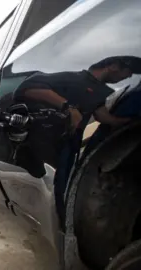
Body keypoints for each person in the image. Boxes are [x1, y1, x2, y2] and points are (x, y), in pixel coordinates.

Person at [12, 56, 141, 227]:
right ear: (113, 65)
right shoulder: (73, 78)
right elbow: (27, 89)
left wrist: (127, 122)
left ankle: (62, 225)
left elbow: (102, 115)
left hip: (69, 146)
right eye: (127, 72)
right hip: (43, 140)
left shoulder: (104, 92)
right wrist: (68, 107)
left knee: (61, 186)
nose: (127, 78)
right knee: (37, 182)